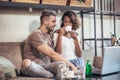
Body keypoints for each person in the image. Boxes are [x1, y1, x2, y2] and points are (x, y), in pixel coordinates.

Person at [21, 10, 77, 79]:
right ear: (45, 22)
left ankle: (53, 75)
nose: (55, 24)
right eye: (53, 21)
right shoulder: (36, 34)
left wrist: (63, 33)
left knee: (60, 64)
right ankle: (51, 76)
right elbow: (51, 53)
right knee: (26, 63)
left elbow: (55, 54)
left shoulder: (49, 34)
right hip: (35, 67)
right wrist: (71, 65)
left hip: (46, 66)